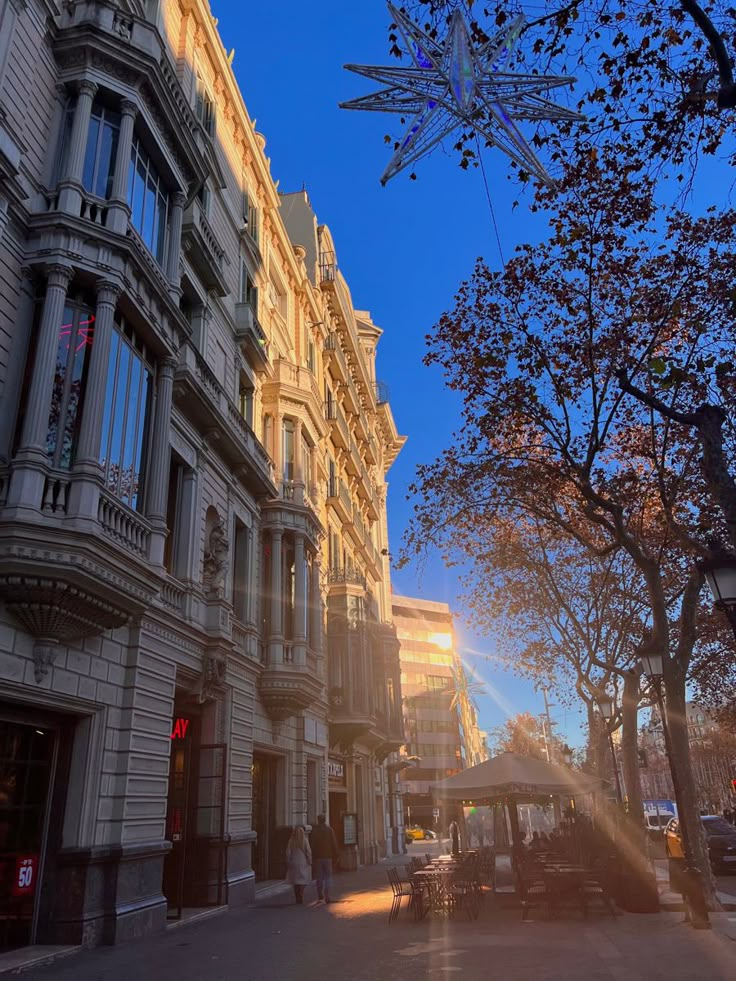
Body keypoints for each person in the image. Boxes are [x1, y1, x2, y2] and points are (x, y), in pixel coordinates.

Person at [310, 814, 340, 903]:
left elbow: (312, 844)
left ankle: (320, 893)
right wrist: (336, 855)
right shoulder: (329, 830)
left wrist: (312, 855)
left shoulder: (315, 831)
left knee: (319, 876)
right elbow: (334, 843)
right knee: (328, 876)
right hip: (328, 856)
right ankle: (327, 894)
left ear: (318, 820)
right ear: (325, 820)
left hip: (317, 857)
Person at [285, 825, 312, 904]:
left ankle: (297, 896)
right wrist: (309, 860)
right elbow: (308, 851)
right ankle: (301, 894)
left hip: (294, 862)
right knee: (303, 880)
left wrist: (288, 861)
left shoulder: (291, 841)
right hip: (303, 862)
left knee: (295, 881)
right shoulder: (305, 840)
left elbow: (288, 852)